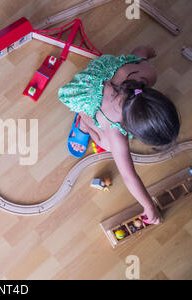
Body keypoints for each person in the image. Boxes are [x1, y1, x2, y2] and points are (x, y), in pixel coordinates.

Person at [58, 45, 180, 224]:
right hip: (86, 94)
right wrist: (149, 206)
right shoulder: (114, 127)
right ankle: (83, 124)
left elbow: (139, 55)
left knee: (137, 56)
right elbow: (129, 176)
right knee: (107, 145)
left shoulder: (148, 73)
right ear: (132, 128)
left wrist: (146, 53)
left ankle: (143, 53)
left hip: (105, 69)